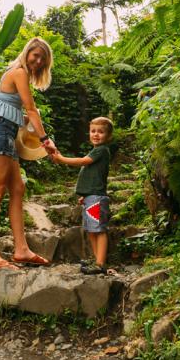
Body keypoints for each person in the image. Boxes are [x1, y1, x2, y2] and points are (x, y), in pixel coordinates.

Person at [0, 37, 57, 270]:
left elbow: (15, 111)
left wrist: (28, 122)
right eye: (36, 55)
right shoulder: (19, 72)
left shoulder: (19, 75)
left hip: (7, 133)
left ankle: (21, 249)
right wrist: (45, 140)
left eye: (43, 58)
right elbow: (31, 109)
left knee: (17, 188)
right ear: (27, 53)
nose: (39, 60)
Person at [50, 117, 114, 274]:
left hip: (96, 198)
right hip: (91, 197)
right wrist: (85, 194)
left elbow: (82, 161)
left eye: (101, 132)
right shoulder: (95, 150)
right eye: (93, 131)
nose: (96, 134)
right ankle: (96, 260)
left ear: (108, 136)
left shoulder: (101, 150)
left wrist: (61, 159)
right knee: (92, 230)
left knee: (99, 230)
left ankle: (100, 263)